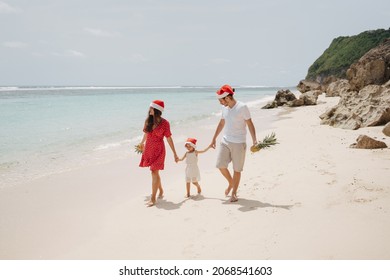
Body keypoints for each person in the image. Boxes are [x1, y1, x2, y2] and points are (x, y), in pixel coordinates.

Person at [210, 84, 258, 202]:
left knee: (237, 169)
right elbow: (221, 123)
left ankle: (234, 193)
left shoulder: (242, 107)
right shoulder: (224, 109)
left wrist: (254, 140)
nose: (220, 103)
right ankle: (231, 183)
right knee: (220, 165)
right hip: (226, 141)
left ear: (227, 98)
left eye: (220, 100)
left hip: (239, 143)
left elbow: (250, 123)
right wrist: (214, 138)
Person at [138, 100, 179, 207]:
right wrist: (142, 143)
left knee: (154, 172)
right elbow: (146, 134)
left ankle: (153, 198)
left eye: (151, 108)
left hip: (159, 150)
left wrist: (175, 153)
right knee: (155, 172)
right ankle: (160, 190)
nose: (149, 110)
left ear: (156, 110)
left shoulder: (165, 123)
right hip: (149, 149)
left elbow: (169, 138)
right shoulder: (148, 121)